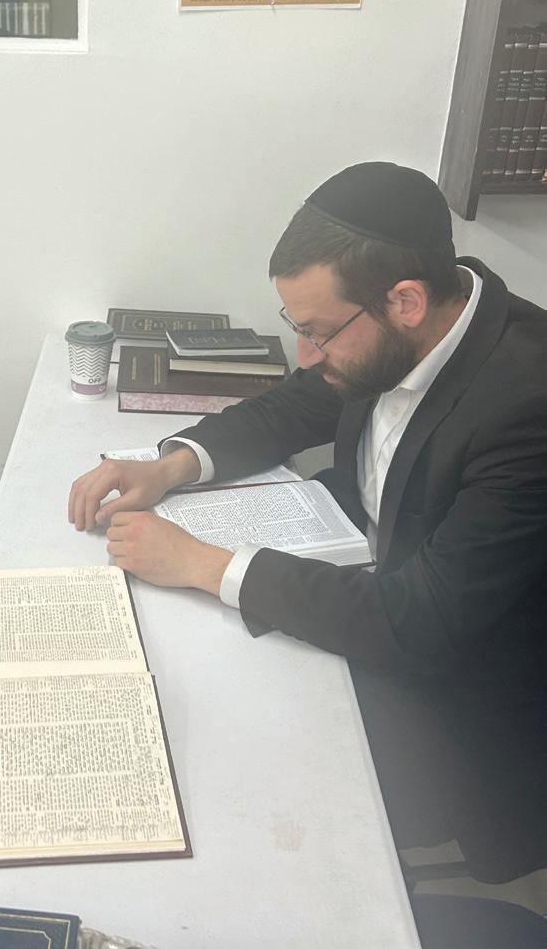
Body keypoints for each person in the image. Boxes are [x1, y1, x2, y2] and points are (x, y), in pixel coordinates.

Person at [69, 162, 547, 883]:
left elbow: (418, 620)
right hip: (364, 592)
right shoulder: (406, 327)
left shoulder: (528, 404)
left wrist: (201, 563)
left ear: (406, 301)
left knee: (226, 790)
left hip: (458, 696)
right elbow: (295, 406)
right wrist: (170, 465)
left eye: (318, 333)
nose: (305, 354)